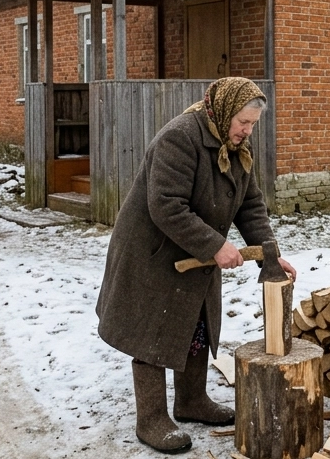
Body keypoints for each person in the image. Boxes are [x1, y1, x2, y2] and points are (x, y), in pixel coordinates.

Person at [96, 77, 296, 454]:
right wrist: (216, 245)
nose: (247, 131)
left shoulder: (235, 146)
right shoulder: (180, 138)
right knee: (153, 332)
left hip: (194, 255)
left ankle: (191, 402)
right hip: (153, 252)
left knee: (195, 323)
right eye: (243, 122)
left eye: (253, 124)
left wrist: (270, 253)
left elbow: (250, 204)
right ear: (224, 112)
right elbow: (166, 205)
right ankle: (151, 419)